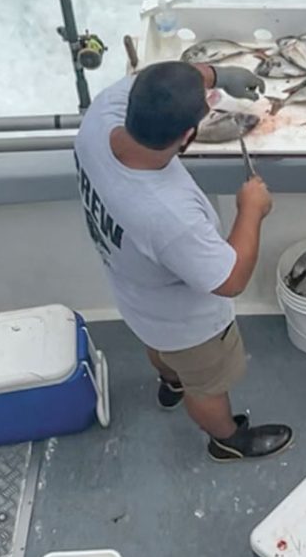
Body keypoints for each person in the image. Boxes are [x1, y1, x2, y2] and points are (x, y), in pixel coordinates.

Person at [73, 60, 293, 461]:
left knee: (161, 349)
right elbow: (230, 279)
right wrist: (251, 209)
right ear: (189, 135)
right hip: (190, 327)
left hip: (134, 297)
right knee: (206, 386)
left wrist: (213, 73)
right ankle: (227, 439)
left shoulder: (98, 118)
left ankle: (169, 382)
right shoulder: (169, 216)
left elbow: (155, 80)